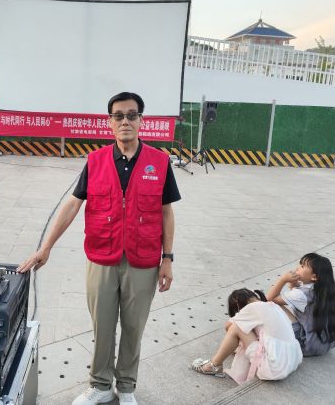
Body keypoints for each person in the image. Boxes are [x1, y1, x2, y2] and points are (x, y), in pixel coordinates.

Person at [17, 91, 180, 405]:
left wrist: (168, 259)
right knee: (102, 326)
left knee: (133, 328)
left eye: (131, 115)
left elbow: (166, 212)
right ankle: (101, 385)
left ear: (141, 120)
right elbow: (72, 205)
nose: (125, 121)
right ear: (110, 122)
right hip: (102, 258)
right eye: (118, 116)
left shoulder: (159, 162)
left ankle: (126, 387)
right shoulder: (96, 161)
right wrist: (46, 247)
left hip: (143, 260)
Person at [191, 288, 302, 384]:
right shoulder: (274, 306)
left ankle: (214, 365)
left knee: (236, 327)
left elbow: (228, 327)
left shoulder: (252, 308)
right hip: (292, 360)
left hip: (274, 368)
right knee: (245, 328)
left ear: (238, 306)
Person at [266, 252, 335, 356]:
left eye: (302, 266)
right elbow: (296, 295)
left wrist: (282, 280)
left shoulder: (302, 294)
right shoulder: (322, 289)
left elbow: (269, 299)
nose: (297, 268)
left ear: (314, 277)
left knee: (273, 305)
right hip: (326, 343)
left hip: (308, 344)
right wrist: (293, 283)